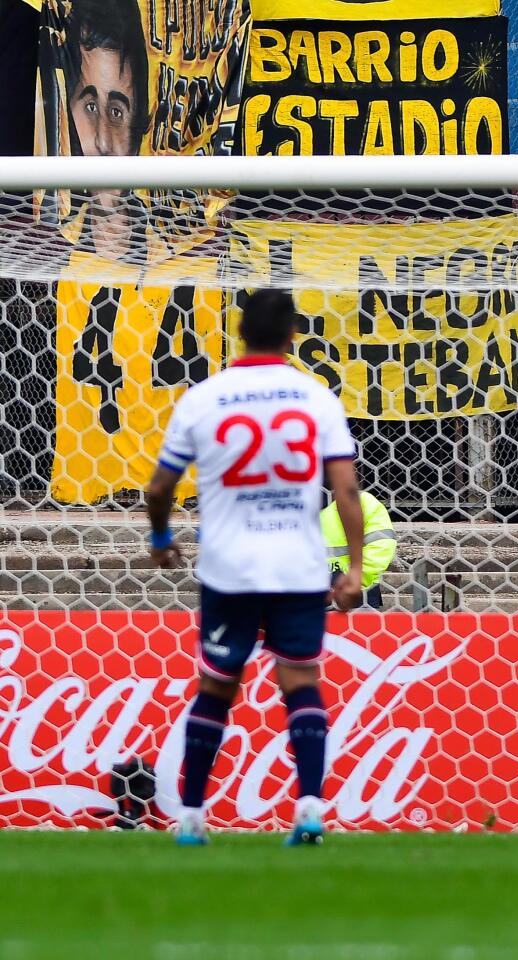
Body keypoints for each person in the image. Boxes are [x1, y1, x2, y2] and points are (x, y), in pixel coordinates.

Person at [145, 289, 364, 846]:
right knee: (301, 681)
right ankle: (310, 810)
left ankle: (192, 819)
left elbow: (159, 486)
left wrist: (162, 537)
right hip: (296, 565)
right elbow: (346, 490)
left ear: (239, 333)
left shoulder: (204, 398)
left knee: (217, 685)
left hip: (228, 568)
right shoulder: (317, 399)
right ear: (293, 335)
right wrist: (355, 569)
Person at [63, 0, 149, 260]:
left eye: (116, 112)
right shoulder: (52, 244)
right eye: (89, 107)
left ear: (141, 120)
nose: (102, 142)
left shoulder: (180, 253)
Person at [320, 490, 396, 608]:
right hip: (308, 592)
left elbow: (382, 546)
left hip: (356, 592)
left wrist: (355, 579)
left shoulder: (361, 501)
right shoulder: (293, 505)